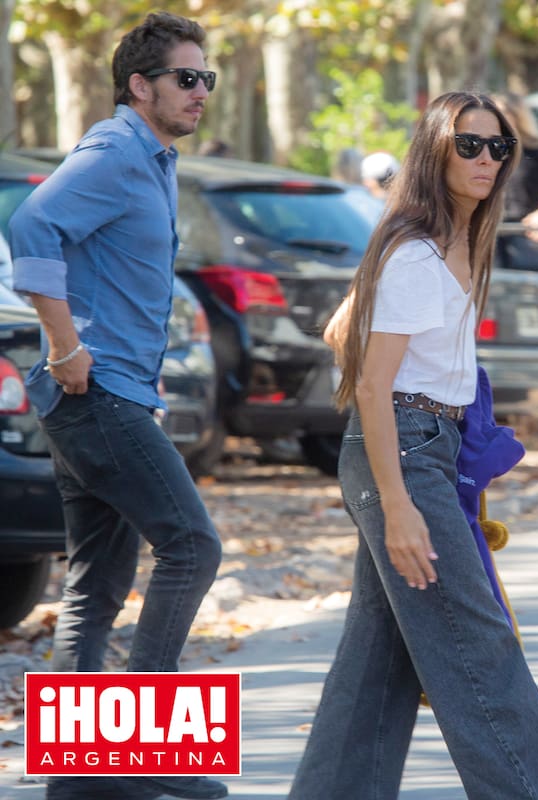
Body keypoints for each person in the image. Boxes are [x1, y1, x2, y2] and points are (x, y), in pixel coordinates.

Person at [288, 91, 538, 800]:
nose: (485, 159)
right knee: (482, 653)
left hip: (425, 445)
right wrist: (399, 505)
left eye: (498, 147)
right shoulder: (414, 248)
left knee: (377, 665)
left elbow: (340, 330)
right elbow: (372, 387)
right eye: (468, 144)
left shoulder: (457, 238)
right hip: (401, 452)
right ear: (435, 150)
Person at [9, 12, 226, 800]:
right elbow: (31, 223)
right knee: (192, 546)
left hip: (112, 393)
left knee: (97, 581)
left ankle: (82, 777)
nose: (201, 92)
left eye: (207, 78)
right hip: (93, 394)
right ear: (141, 85)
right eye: (186, 78)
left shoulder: (154, 159)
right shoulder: (114, 150)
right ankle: (144, 750)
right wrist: (65, 345)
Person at [494, 92, 538, 271]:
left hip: (528, 231)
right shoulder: (488, 148)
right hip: (491, 228)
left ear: (517, 115)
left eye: (503, 113)